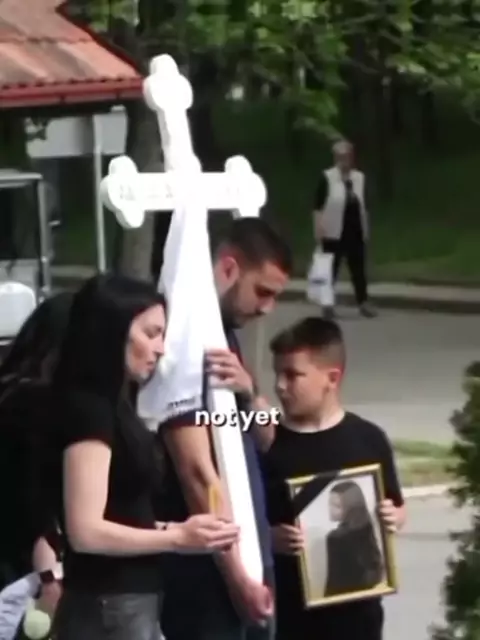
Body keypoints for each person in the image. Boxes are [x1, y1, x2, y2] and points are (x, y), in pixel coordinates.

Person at [48, 274, 239, 640]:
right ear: (113, 331)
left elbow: (121, 512)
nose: (161, 348)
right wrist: (177, 538)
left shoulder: (115, 405)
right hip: (109, 602)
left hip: (128, 599)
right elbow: (85, 531)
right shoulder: (89, 409)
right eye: (150, 334)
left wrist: (178, 529)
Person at [158, 217, 292, 640]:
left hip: (251, 549)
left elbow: (268, 437)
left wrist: (250, 393)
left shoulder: (225, 339)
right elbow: (196, 472)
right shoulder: (183, 343)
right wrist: (236, 577)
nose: (267, 308)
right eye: (262, 292)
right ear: (229, 268)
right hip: (206, 571)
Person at [261, 316, 405, 640]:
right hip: (289, 616)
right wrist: (268, 538)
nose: (280, 386)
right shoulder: (269, 444)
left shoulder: (368, 438)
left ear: (332, 378)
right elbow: (241, 522)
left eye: (292, 375)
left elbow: (396, 506)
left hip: (359, 617)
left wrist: (392, 517)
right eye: (277, 374)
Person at [0, 292, 73, 619]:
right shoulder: (37, 405)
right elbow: (38, 500)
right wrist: (49, 577)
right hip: (28, 567)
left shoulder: (13, 393)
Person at [312, 140, 376, 318]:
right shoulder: (327, 177)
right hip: (332, 231)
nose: (343, 160)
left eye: (346, 156)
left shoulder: (359, 178)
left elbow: (365, 206)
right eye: (340, 157)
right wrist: (318, 228)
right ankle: (327, 305)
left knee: (358, 269)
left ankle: (363, 303)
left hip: (355, 230)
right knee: (330, 270)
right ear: (335, 158)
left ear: (352, 158)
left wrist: (366, 229)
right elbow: (317, 206)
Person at [324, 480, 383, 597]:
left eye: (337, 506)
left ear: (350, 507)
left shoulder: (335, 538)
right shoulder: (366, 530)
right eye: (330, 504)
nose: (330, 509)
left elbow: (333, 582)